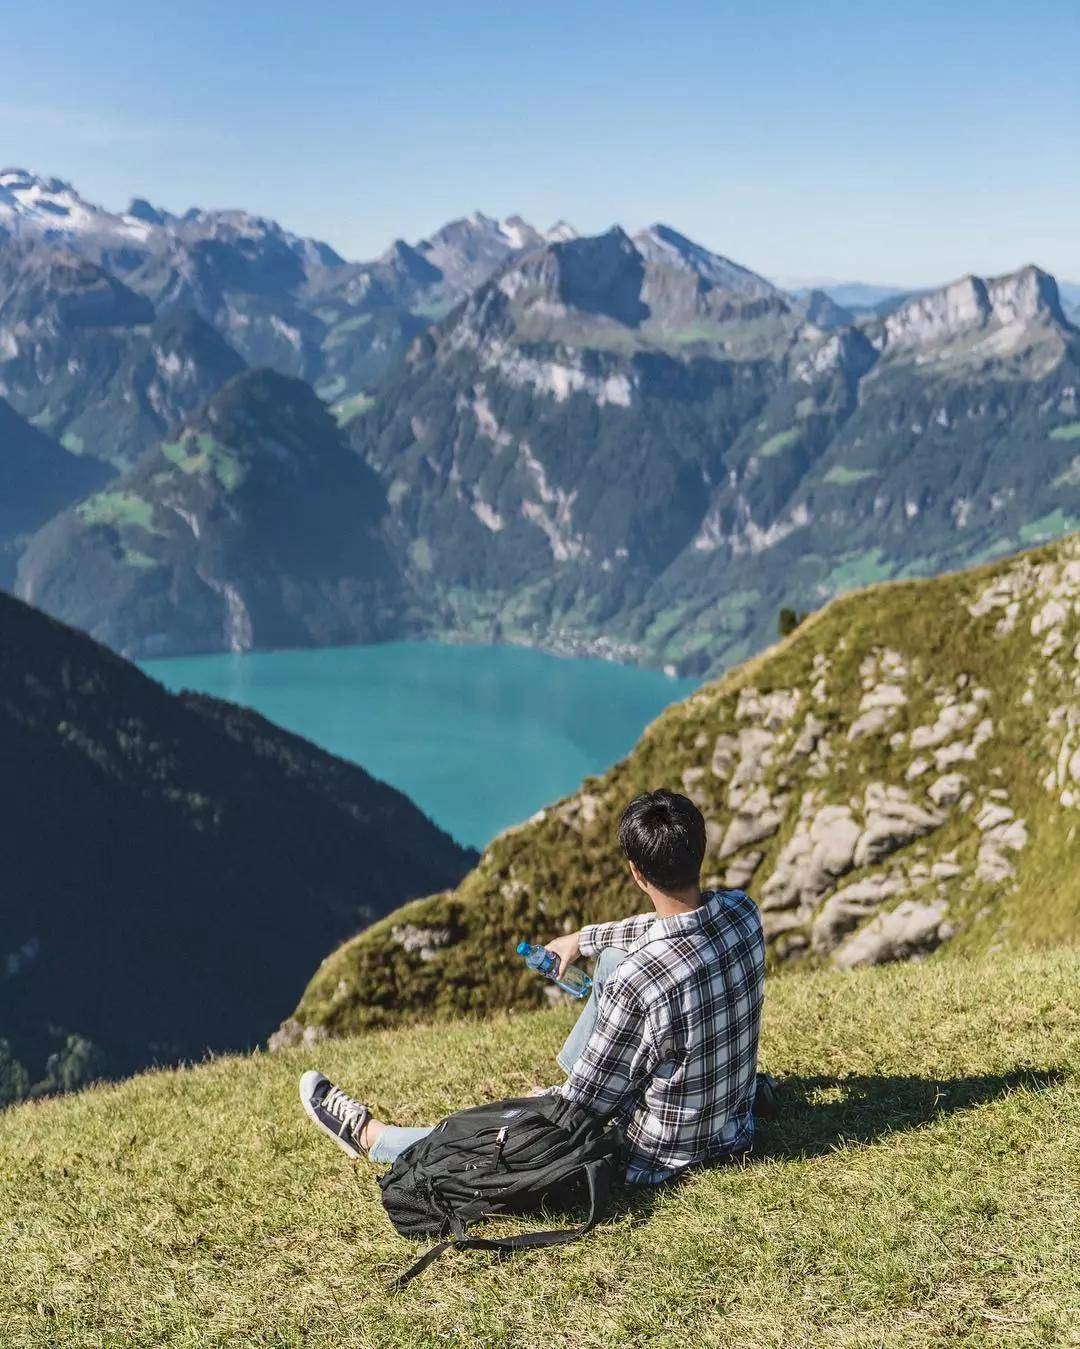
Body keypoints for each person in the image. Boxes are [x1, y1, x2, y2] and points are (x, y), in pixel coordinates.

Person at [299, 788, 766, 1185]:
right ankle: (563, 1073)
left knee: (509, 1132)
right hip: (732, 1130)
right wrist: (580, 941)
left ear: (636, 873)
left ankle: (373, 1138)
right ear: (700, 846)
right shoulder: (743, 913)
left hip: (654, 1158)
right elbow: (664, 926)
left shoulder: (638, 982)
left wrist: (536, 1108)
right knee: (610, 957)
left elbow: (577, 1112)